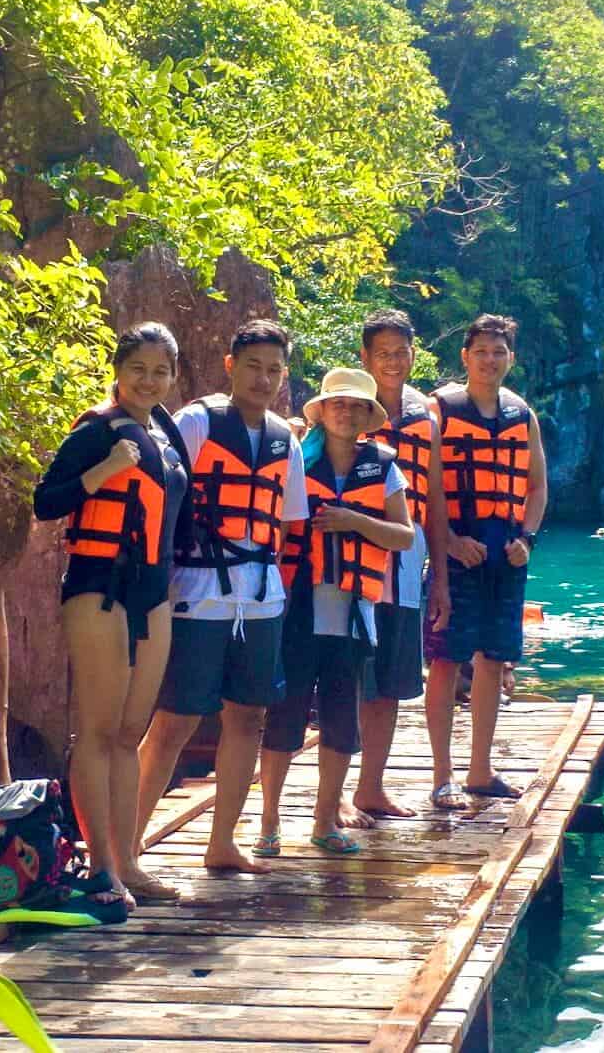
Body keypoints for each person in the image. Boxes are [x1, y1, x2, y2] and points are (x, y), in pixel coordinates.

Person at [133, 319, 306, 875]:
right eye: (253, 366)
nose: (264, 378)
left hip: (260, 597)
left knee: (250, 716)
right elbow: (160, 498)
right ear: (231, 366)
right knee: (176, 720)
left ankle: (222, 842)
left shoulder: (286, 437)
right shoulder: (198, 421)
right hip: (197, 590)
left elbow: (290, 523)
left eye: (274, 369)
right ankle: (126, 843)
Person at [32, 322, 192, 910]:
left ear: (173, 377)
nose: (148, 381)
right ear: (118, 371)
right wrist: (104, 471)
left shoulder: (167, 432)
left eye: (160, 371)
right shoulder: (95, 431)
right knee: (99, 732)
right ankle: (102, 869)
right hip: (99, 589)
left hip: (152, 594)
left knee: (130, 732)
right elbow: (46, 501)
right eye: (138, 369)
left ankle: (128, 859)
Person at [259, 368, 414, 856]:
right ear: (323, 411)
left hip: (353, 613)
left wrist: (354, 521)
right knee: (284, 718)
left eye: (355, 406)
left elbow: (405, 536)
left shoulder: (384, 467)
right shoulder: (297, 461)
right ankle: (268, 823)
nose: (345, 412)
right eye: (336, 403)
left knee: (341, 721)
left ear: (369, 416)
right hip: (298, 608)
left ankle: (324, 821)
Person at [423, 314, 548, 810]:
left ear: (510, 359)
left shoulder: (522, 415)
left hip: (506, 551)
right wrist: (449, 540)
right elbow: (424, 486)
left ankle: (481, 770)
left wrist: (528, 539)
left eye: (499, 352)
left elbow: (536, 487)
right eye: (481, 352)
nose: (490, 360)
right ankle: (441, 775)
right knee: (446, 660)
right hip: (456, 546)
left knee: (494, 660)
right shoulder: (442, 409)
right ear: (465, 357)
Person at [352, 309, 451, 821]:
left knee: (391, 680)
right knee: (348, 678)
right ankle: (332, 795)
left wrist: (441, 581)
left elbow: (433, 499)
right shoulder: (345, 410)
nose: (393, 361)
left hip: (407, 566)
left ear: (414, 355)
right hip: (351, 565)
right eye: (382, 352)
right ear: (365, 357)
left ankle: (371, 787)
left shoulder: (424, 417)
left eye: (401, 352)